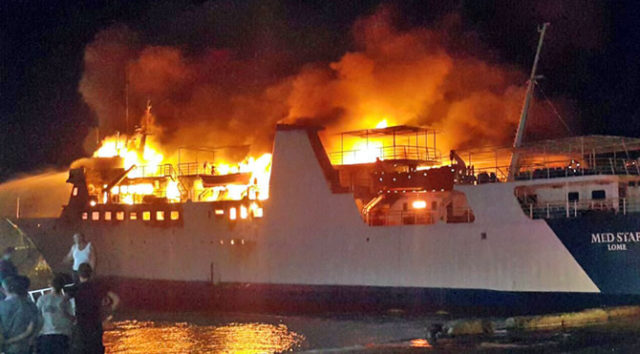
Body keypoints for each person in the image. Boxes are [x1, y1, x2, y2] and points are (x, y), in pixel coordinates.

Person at [70, 263, 118, 354]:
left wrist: (69, 316)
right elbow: (116, 299)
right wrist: (108, 313)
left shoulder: (76, 288)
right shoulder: (98, 287)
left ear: (78, 274)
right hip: (96, 325)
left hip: (82, 326)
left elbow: (63, 301)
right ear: (91, 274)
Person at [0, 275, 42, 354]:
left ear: (3, 289)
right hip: (26, 347)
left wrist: (6, 342)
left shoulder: (1, 306)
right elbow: (38, 324)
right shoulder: (31, 305)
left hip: (6, 349)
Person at [36, 274, 74, 354]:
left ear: (50, 285)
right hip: (62, 335)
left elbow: (37, 317)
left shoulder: (42, 299)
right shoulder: (65, 301)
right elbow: (71, 318)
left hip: (45, 335)